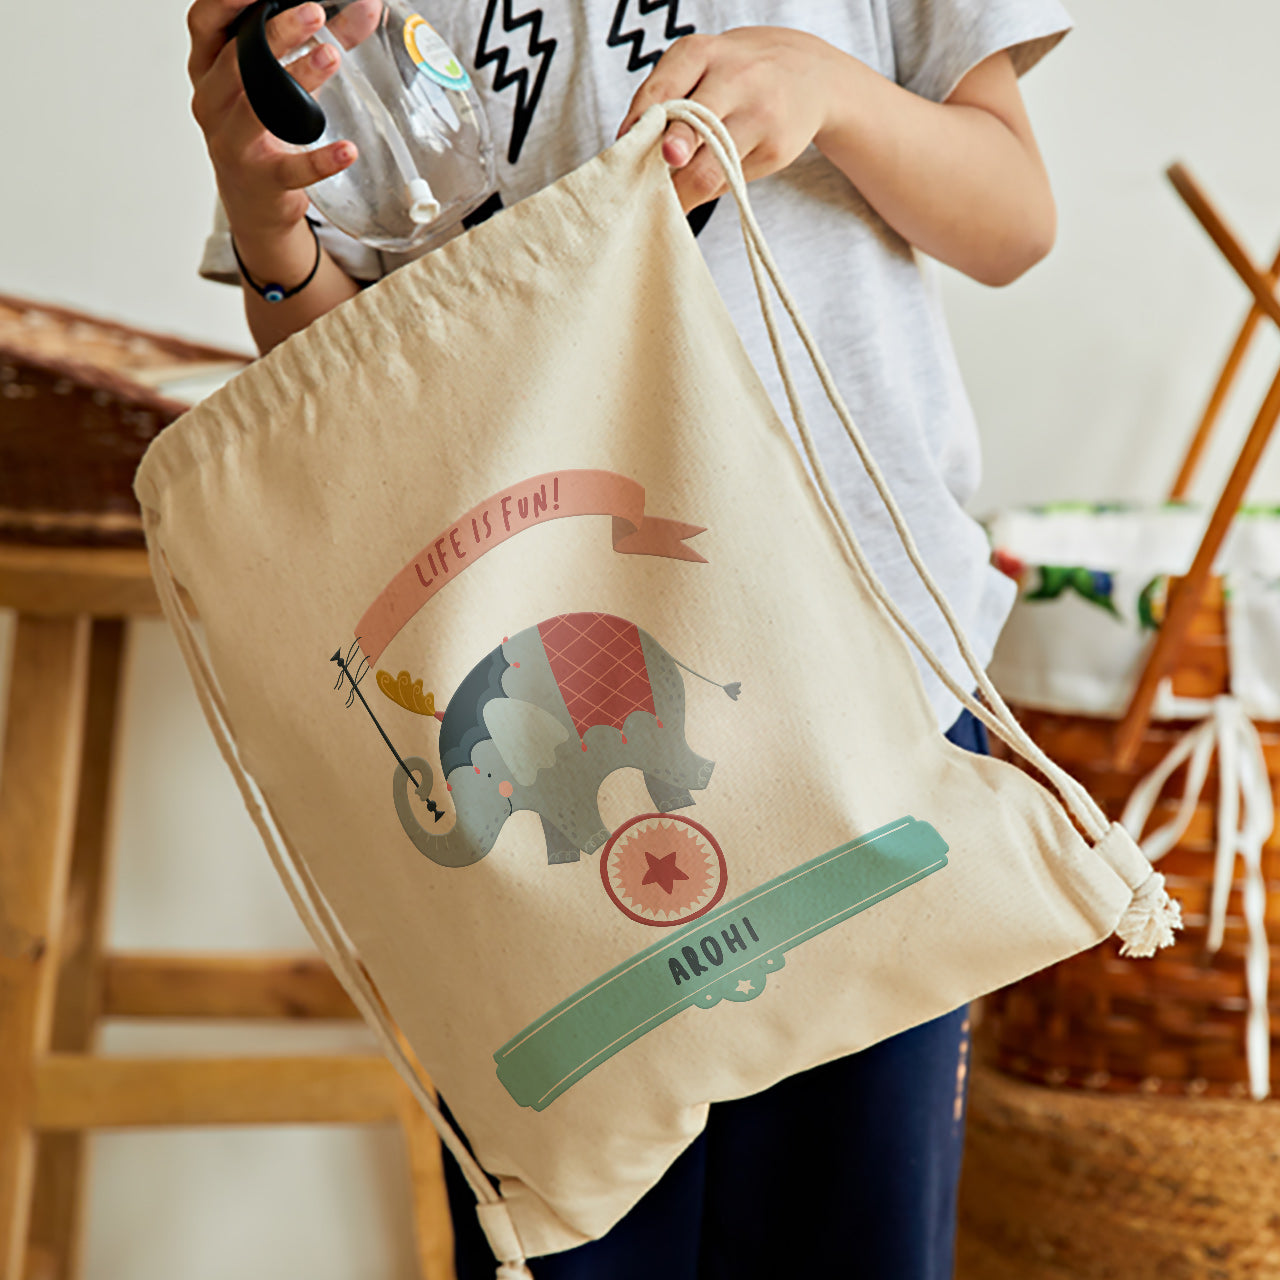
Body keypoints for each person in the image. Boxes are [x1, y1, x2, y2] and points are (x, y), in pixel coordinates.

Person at [185, 2, 1070, 1274]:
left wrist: (831, 92)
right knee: (574, 1231)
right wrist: (270, 229)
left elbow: (1011, 218)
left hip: (867, 688)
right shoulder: (350, 18)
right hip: (535, 710)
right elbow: (359, 380)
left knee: (852, 1231)